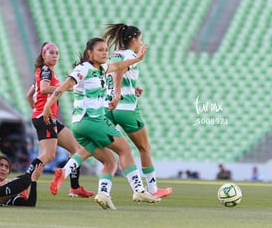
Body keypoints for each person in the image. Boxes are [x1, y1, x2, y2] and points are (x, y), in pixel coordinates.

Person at [43, 37, 160, 209]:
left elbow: (119, 66)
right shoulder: (84, 68)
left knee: (110, 161)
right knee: (125, 149)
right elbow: (64, 86)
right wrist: (47, 107)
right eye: (100, 50)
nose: (105, 52)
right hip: (91, 120)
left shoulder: (101, 69)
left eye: (106, 49)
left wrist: (138, 59)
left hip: (80, 126)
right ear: (89, 53)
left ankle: (94, 188)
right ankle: (139, 189)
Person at [101, 23, 172, 198]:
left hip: (107, 107)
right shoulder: (130, 55)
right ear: (133, 40)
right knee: (144, 148)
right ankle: (153, 190)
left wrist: (131, 89)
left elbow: (113, 77)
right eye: (140, 39)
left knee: (102, 150)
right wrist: (119, 95)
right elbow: (118, 73)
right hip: (126, 109)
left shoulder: (114, 54)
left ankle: (77, 176)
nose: (141, 43)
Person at [25, 42, 94, 198]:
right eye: (51, 53)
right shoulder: (45, 71)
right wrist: (64, 87)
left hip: (47, 117)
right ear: (43, 55)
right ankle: (23, 183)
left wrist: (36, 110)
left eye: (57, 53)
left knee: (76, 149)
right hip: (46, 117)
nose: (55, 56)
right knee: (48, 155)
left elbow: (29, 94)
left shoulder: (44, 71)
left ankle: (75, 188)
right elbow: (43, 88)